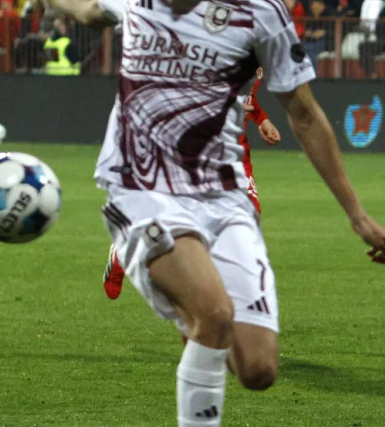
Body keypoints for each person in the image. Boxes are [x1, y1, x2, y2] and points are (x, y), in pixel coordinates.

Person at [20, 0, 385, 427]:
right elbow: (84, 6)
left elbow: (303, 114)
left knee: (257, 369)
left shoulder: (259, 10)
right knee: (215, 313)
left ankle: (190, 314)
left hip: (223, 195)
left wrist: (357, 214)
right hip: (139, 187)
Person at [103, 67, 282, 299]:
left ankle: (226, 300)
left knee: (250, 215)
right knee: (183, 219)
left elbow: (246, 97)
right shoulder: (213, 47)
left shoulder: (257, 53)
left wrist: (260, 118)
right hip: (196, 148)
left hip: (234, 153)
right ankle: (124, 250)